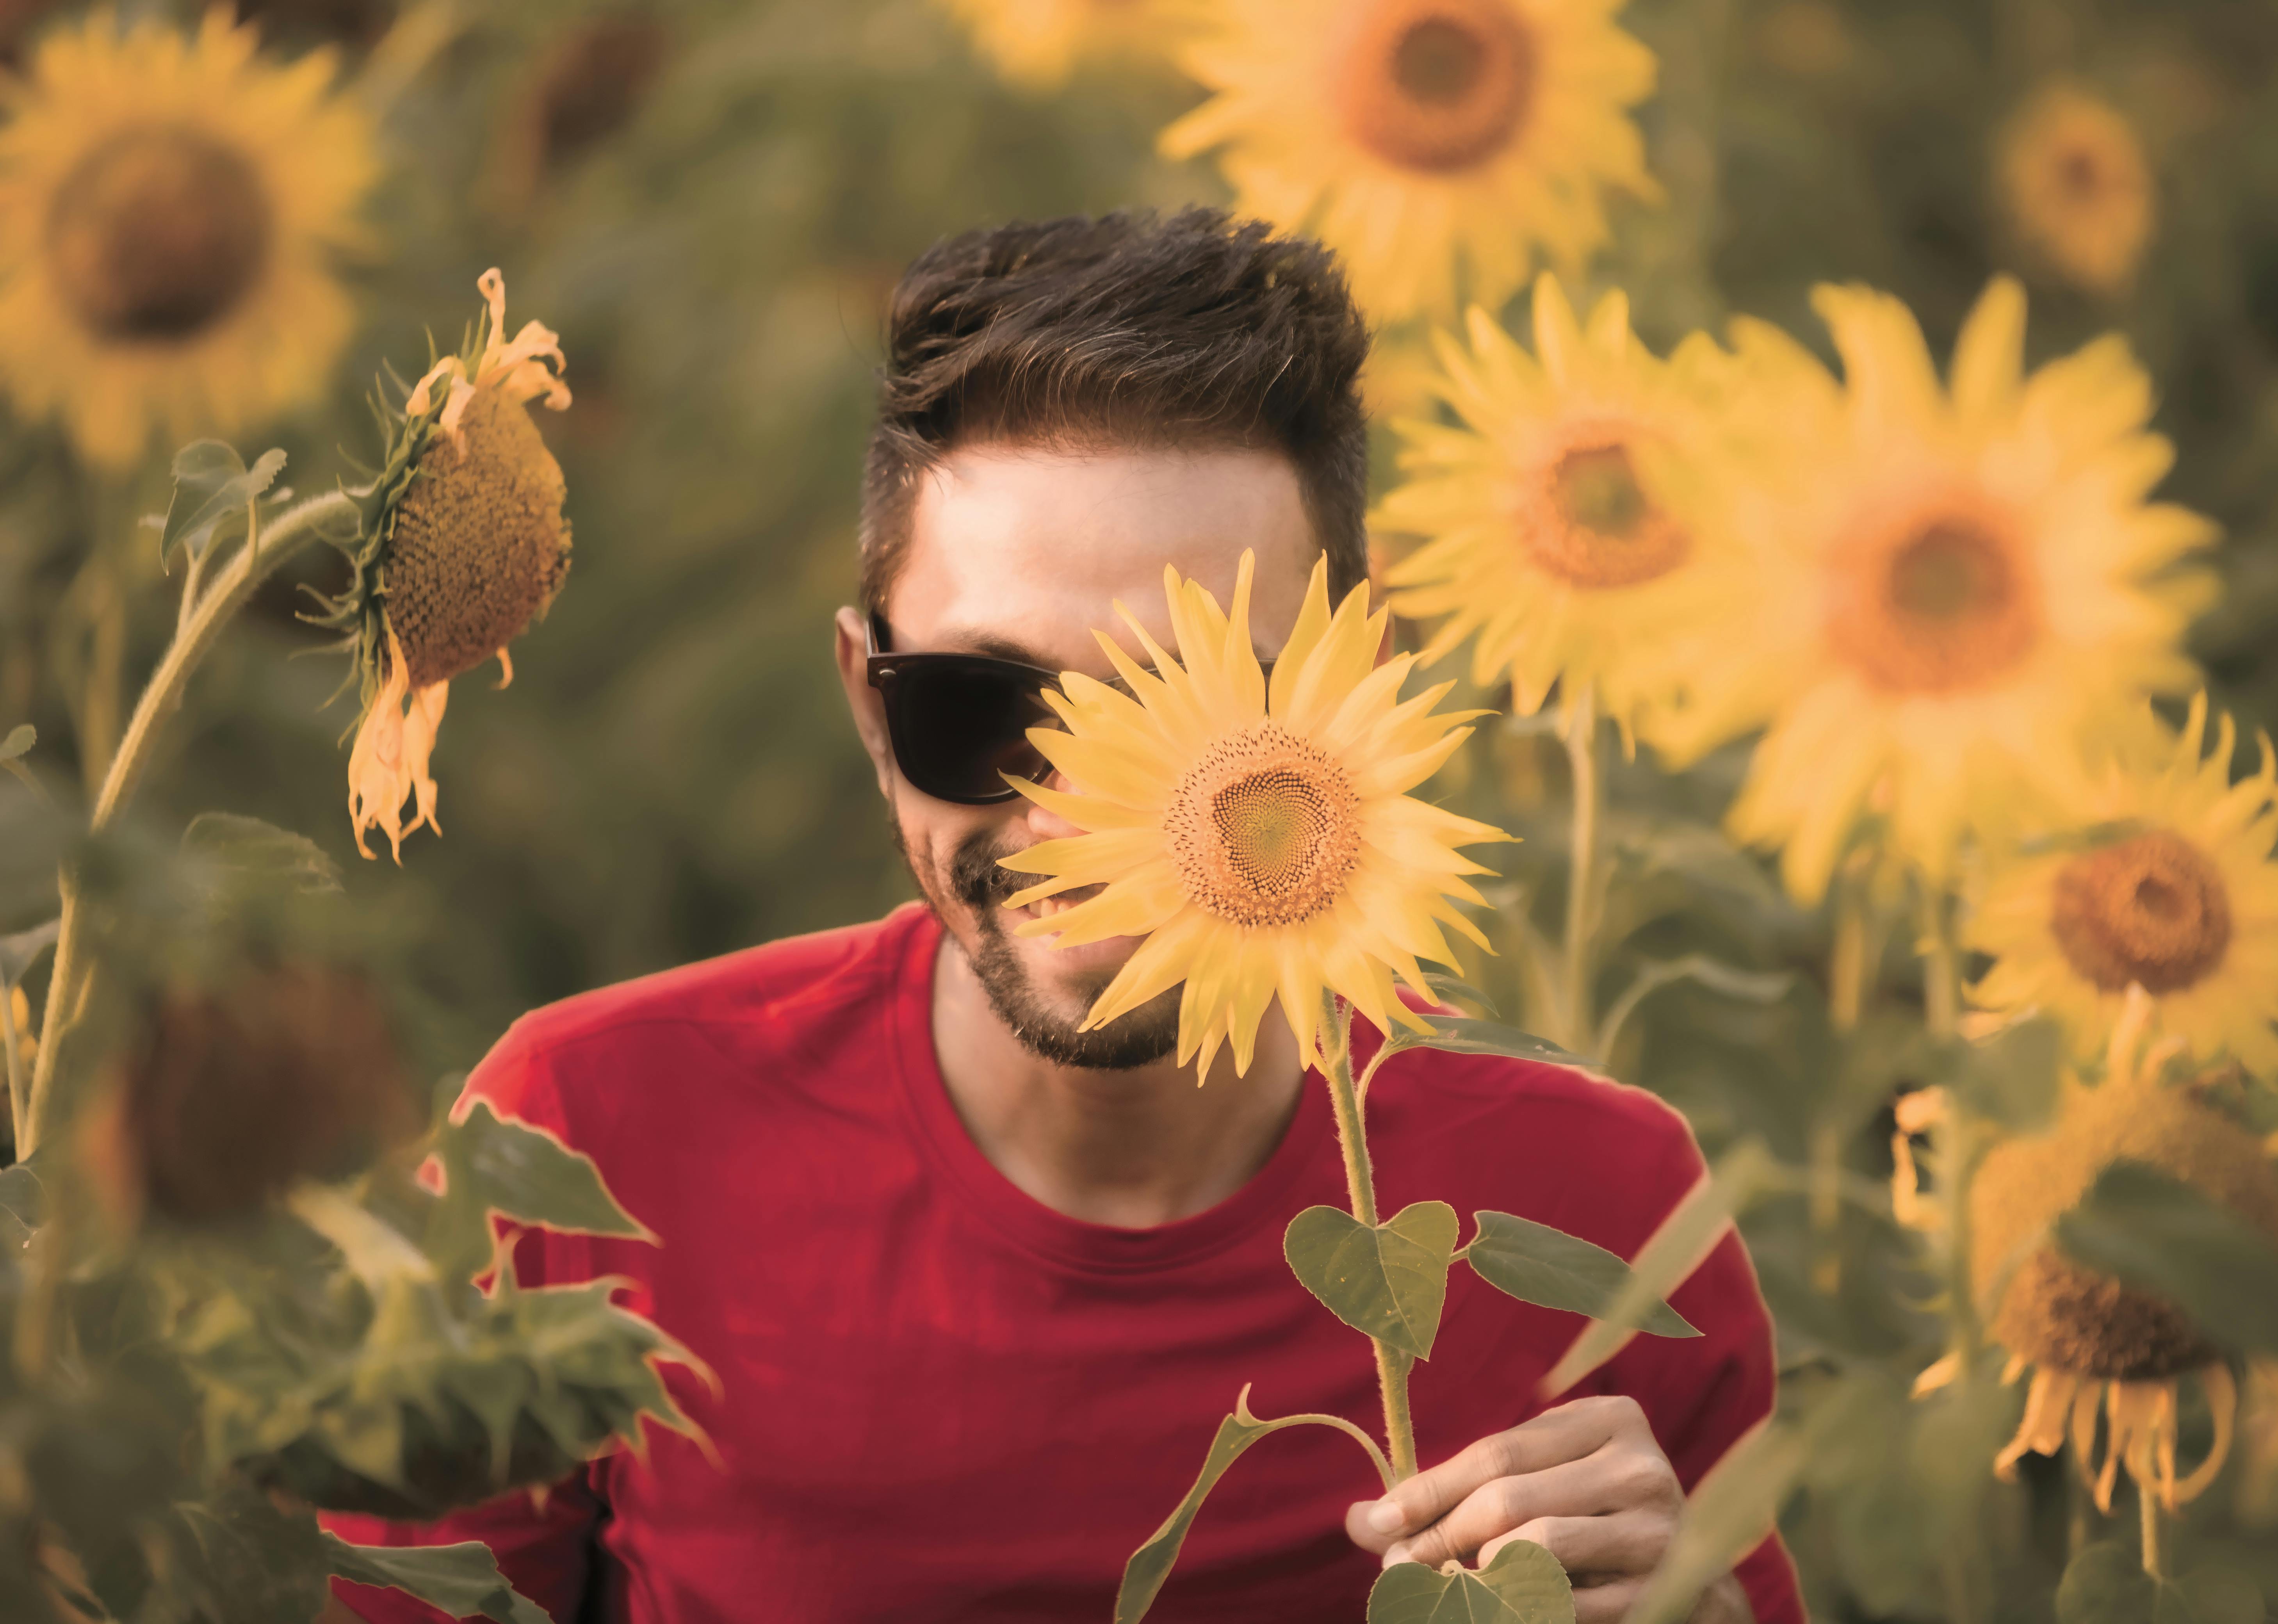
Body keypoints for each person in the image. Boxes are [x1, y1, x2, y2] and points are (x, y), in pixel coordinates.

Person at [324, 209, 1805, 1624]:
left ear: (1366, 689)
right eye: (986, 709)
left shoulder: (1605, 1215)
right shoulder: (586, 1148)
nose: (1091, 821)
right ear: (866, 696)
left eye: (1203, 703)